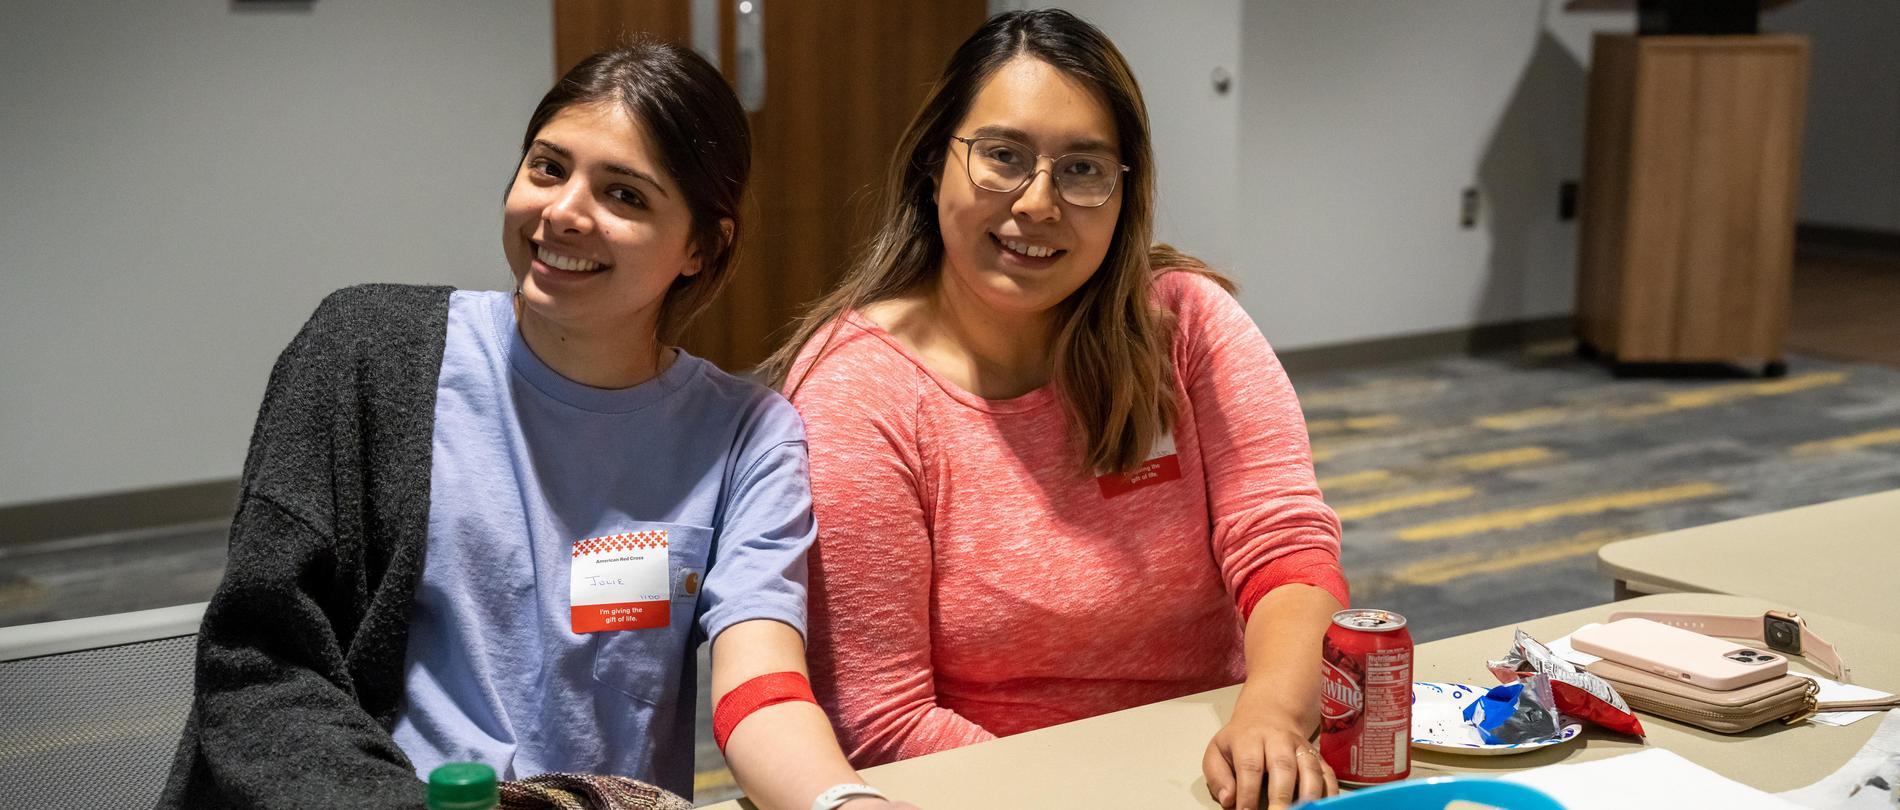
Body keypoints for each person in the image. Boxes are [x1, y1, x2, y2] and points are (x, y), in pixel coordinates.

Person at [163, 41, 910, 810]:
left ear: (700, 248)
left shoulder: (745, 435)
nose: (562, 212)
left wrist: (840, 802)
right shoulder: (365, 355)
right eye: (548, 168)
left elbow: (764, 681)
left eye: (624, 195)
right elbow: (261, 663)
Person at [760, 10, 1348, 810]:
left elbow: (1285, 551)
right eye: (1002, 156)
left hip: (1214, 765)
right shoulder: (857, 391)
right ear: (936, 164)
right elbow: (882, 718)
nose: (1038, 203)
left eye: (1082, 169)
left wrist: (1274, 718)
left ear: (1123, 190)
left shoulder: (1185, 324)